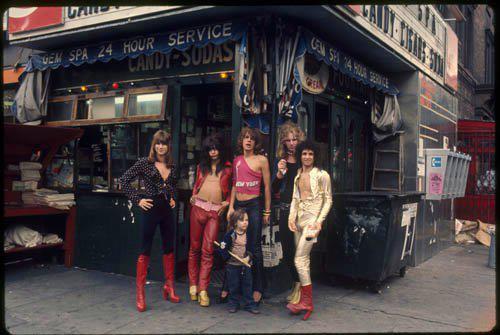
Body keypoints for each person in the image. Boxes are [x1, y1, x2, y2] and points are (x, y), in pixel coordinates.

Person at [119, 130, 180, 312]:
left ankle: (169, 286)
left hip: (167, 211)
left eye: (164, 143)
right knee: (145, 249)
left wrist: (173, 198)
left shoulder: (173, 166)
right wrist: (138, 200)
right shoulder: (145, 164)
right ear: (154, 146)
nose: (161, 147)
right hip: (150, 209)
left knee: (169, 247)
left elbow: (173, 187)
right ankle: (140, 293)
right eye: (158, 143)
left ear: (169, 146)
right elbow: (123, 180)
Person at [286, 140, 332, 320]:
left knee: (300, 259)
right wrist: (291, 218)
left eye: (310, 154)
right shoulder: (297, 173)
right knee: (302, 260)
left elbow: (328, 200)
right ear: (300, 155)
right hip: (299, 221)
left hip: (312, 222)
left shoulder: (322, 175)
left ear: (315, 156)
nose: (307, 157)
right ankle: (305, 302)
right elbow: (295, 198)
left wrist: (319, 222)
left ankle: (307, 301)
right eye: (304, 154)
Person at [224, 127, 271, 304]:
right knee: (234, 244)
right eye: (245, 137)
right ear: (241, 141)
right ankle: (229, 288)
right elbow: (234, 186)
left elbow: (267, 186)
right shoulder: (237, 160)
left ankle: (258, 287)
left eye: (251, 138)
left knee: (254, 247)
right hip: (238, 206)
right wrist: (230, 207)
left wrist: (267, 211)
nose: (248, 141)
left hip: (253, 205)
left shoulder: (262, 160)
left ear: (255, 142)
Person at [188, 133, 232, 307]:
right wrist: (192, 196)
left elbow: (232, 190)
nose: (213, 152)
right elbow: (196, 186)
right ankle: (193, 285)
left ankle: (203, 289)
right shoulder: (201, 167)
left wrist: (227, 203)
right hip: (197, 208)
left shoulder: (228, 169)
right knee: (194, 248)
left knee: (208, 250)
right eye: (210, 149)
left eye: (215, 149)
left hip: (214, 212)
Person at [271, 121, 305, 305]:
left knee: (300, 251)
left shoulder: (305, 159)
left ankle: (300, 286)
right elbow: (274, 188)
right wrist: (279, 175)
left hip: (300, 211)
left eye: (295, 139)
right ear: (283, 142)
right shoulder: (280, 161)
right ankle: (296, 284)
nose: (292, 143)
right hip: (285, 208)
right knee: (287, 249)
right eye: (288, 140)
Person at [218, 208, 260, 314]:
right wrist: (227, 257)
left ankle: (249, 304)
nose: (245, 222)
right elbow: (223, 247)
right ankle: (233, 303)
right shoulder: (230, 235)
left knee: (247, 285)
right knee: (233, 285)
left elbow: (251, 248)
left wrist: (248, 257)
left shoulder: (248, 234)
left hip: (245, 265)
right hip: (233, 265)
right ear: (236, 222)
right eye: (242, 220)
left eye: (247, 220)